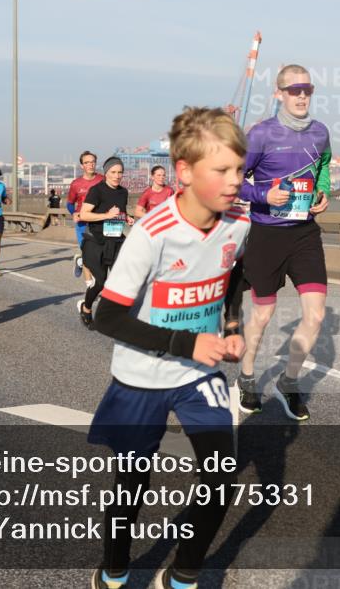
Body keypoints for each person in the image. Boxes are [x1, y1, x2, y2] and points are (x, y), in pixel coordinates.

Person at [88, 106, 250, 589]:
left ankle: (182, 576)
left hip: (198, 374)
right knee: (132, 486)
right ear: (184, 172)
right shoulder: (151, 234)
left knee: (221, 477)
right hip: (141, 376)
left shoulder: (239, 223)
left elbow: (235, 271)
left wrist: (233, 321)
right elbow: (107, 316)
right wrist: (187, 341)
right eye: (221, 170)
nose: (235, 181)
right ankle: (114, 569)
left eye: (239, 169)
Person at [236, 64, 332, 421]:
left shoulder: (320, 132)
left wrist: (324, 191)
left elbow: (323, 164)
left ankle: (288, 383)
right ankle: (246, 375)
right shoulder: (261, 134)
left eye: (307, 88)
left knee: (317, 315)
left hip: (304, 233)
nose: (302, 95)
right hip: (267, 234)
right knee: (263, 314)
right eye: (294, 90)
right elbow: (234, 179)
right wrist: (264, 195)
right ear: (279, 94)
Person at [76, 157, 133, 327]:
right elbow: (84, 214)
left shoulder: (123, 192)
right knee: (100, 282)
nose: (117, 176)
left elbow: (120, 212)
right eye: (113, 172)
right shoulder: (97, 190)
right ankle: (86, 307)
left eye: (120, 172)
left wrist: (127, 218)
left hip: (115, 242)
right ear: (106, 173)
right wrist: (106, 215)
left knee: (120, 281)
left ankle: (113, 316)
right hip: (96, 242)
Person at [66, 151, 104, 279]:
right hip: (82, 222)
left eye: (92, 162)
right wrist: (74, 213)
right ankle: (90, 287)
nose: (90, 165)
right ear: (82, 166)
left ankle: (80, 260)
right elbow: (70, 204)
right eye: (87, 162)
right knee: (88, 253)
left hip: (99, 221)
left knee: (98, 256)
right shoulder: (76, 184)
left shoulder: (102, 180)